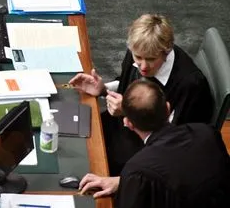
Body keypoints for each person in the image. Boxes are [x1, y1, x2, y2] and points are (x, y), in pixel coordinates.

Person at [69, 14, 213, 175]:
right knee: (78, 131)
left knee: (86, 164)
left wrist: (130, 113)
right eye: (138, 58)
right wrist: (103, 90)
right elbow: (127, 85)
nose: (143, 67)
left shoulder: (190, 85)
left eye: (151, 59)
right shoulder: (137, 51)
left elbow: (174, 141)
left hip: (146, 150)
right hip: (121, 127)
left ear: (166, 52)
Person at [78, 78, 230, 208]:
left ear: (128, 123)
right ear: (168, 108)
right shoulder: (207, 132)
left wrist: (129, 182)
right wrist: (123, 182)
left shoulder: (137, 170)